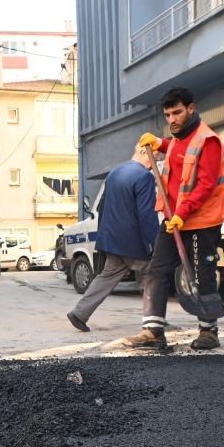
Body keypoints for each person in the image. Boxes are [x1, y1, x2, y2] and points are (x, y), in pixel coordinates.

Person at [134, 85, 224, 352]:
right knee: (157, 269)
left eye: (177, 113)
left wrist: (182, 212)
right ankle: (153, 331)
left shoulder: (208, 140)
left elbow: (205, 184)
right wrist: (160, 143)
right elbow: (178, 154)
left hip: (202, 221)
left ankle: (209, 332)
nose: (172, 120)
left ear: (191, 108)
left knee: (203, 275)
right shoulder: (178, 139)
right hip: (173, 218)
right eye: (167, 115)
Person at [66, 137, 160, 332]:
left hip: (112, 241)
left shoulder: (114, 173)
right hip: (135, 244)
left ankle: (79, 313)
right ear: (144, 152)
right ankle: (154, 323)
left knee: (106, 277)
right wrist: (153, 244)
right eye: (156, 157)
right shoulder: (145, 177)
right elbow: (147, 214)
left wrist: (103, 237)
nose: (156, 163)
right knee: (152, 278)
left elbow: (101, 207)